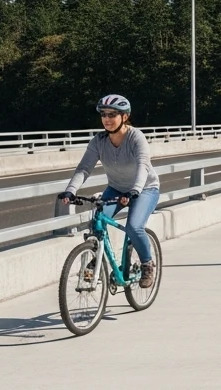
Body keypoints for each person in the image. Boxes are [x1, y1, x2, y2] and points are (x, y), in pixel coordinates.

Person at [56, 94, 161, 288]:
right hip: (116, 188)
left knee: (134, 226)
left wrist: (134, 191)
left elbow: (143, 166)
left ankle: (147, 264)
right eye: (103, 114)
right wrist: (71, 191)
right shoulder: (99, 141)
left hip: (145, 188)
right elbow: (84, 168)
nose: (107, 119)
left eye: (112, 114)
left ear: (125, 116)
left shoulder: (135, 137)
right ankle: (97, 257)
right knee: (97, 222)